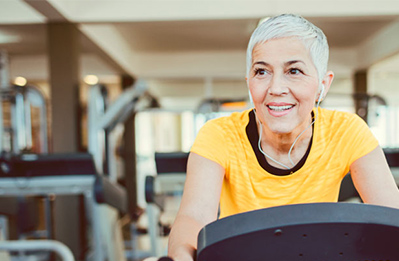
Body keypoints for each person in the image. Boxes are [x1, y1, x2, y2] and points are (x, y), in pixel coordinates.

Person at [148, 14, 399, 261]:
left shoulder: (348, 131)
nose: (276, 88)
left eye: (294, 70)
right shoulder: (218, 135)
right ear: (249, 82)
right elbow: (193, 216)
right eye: (261, 72)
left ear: (324, 84)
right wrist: (182, 254)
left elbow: (391, 214)